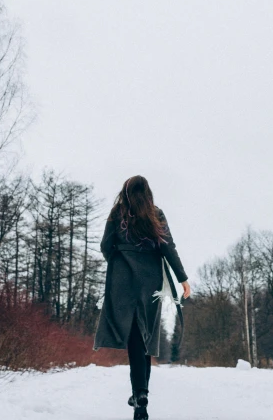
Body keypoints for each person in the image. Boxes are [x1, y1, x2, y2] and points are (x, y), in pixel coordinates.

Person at [93, 175, 190, 420]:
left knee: (135, 336)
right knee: (145, 335)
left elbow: (106, 245)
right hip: (151, 282)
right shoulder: (156, 214)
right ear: (147, 193)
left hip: (122, 281)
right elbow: (169, 247)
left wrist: (118, 264)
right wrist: (183, 279)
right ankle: (141, 394)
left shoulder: (118, 213)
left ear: (125, 192)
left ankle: (140, 396)